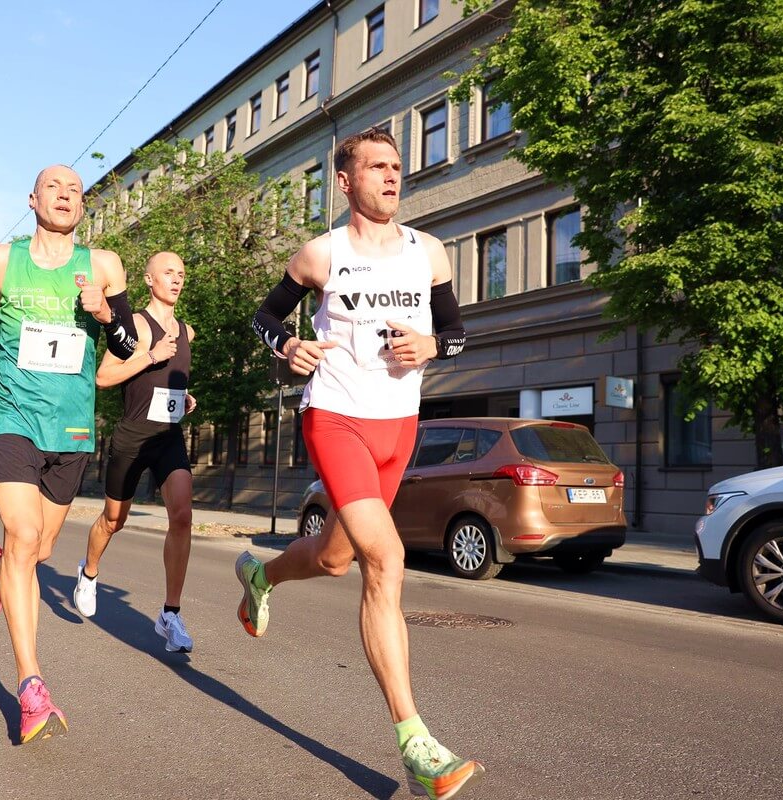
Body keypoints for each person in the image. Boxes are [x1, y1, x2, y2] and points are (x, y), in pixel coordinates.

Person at [243, 127, 477, 799]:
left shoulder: (428, 253)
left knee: (334, 558)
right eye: (376, 166)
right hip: (337, 418)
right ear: (345, 182)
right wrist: (287, 347)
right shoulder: (321, 255)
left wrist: (432, 347)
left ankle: (262, 576)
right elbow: (265, 319)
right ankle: (416, 744)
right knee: (387, 559)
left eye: (397, 166)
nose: (391, 176)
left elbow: (456, 333)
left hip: (398, 428)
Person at [0, 164, 139, 745]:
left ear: (83, 207)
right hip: (10, 417)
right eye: (54, 186)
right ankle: (32, 687)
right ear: (32, 199)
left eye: (75, 191)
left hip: (71, 426)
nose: (65, 195)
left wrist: (106, 315)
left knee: (41, 548)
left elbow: (127, 344)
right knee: (23, 538)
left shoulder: (102, 266)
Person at [72, 252, 198, 653]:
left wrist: (184, 398)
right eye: (168, 273)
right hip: (132, 435)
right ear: (149, 279)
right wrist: (149, 355)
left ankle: (170, 614)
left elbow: (165, 385)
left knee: (182, 515)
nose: (176, 280)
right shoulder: (138, 326)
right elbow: (103, 376)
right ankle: (89, 572)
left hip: (167, 437)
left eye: (181, 273)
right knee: (114, 520)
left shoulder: (187, 332)